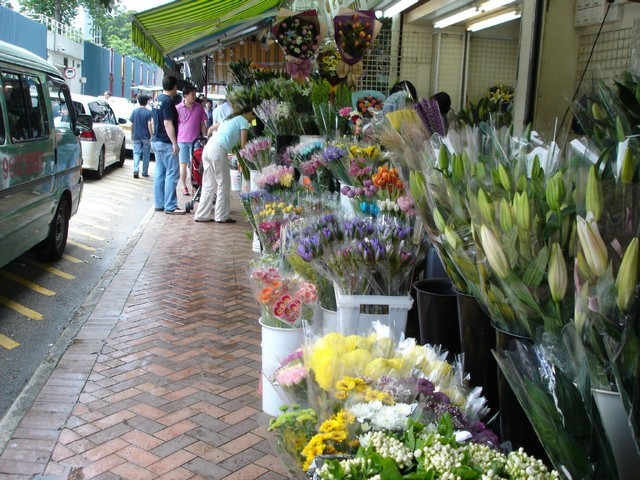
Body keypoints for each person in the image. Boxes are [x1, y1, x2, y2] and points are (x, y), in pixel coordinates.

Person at [194, 105, 255, 223]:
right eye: (253, 116)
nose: (253, 119)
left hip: (208, 148)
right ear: (248, 112)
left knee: (208, 184)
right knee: (224, 184)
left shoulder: (229, 119)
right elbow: (243, 146)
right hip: (218, 149)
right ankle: (222, 216)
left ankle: (201, 215)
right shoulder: (243, 121)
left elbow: (211, 129)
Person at [151, 75, 185, 215]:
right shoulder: (168, 102)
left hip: (156, 140)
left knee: (160, 173)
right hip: (165, 142)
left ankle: (159, 204)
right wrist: (174, 143)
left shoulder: (156, 100)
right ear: (175, 87)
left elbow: (153, 121)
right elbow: (167, 123)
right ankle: (170, 205)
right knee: (172, 173)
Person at [176, 84, 208, 196]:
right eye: (192, 95)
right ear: (185, 96)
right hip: (182, 141)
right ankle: (183, 186)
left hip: (196, 141)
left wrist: (204, 137)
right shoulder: (178, 108)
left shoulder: (199, 107)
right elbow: (175, 125)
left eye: (195, 95)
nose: (194, 97)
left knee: (195, 165)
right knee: (183, 165)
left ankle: (195, 186)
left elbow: (202, 124)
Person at [129, 94, 153, 179]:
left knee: (136, 153)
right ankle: (144, 172)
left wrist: (132, 134)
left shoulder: (134, 111)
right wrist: (151, 135)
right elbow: (149, 124)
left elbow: (132, 124)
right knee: (146, 154)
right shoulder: (149, 112)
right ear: (147, 102)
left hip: (136, 135)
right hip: (146, 136)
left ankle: (136, 169)